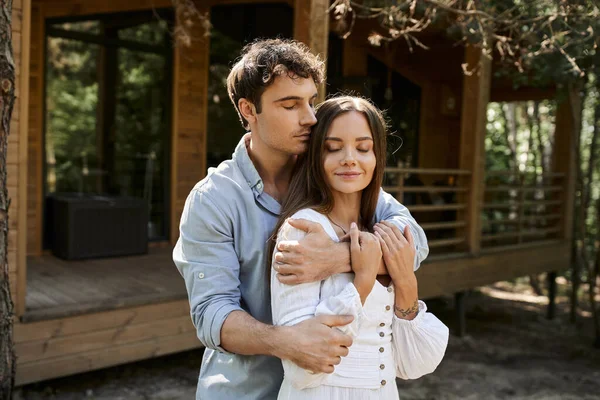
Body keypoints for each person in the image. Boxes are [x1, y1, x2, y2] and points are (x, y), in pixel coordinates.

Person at [173, 39, 429, 400]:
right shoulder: (213, 199)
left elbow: (413, 243)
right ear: (249, 110)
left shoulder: (329, 171)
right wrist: (286, 342)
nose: (310, 117)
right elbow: (212, 315)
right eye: (290, 105)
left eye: (310, 101)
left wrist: (336, 258)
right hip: (245, 392)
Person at [270, 96, 448, 399]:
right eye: (334, 147)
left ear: (376, 156)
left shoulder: (381, 230)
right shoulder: (303, 230)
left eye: (363, 148)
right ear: (315, 157)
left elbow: (414, 364)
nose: (349, 158)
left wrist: (404, 280)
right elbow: (303, 368)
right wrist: (363, 281)